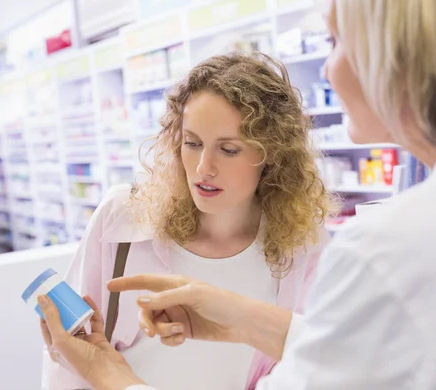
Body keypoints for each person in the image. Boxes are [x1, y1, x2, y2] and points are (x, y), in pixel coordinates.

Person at [41, 0, 436, 388]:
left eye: (336, 39)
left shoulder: (386, 252)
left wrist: (110, 376)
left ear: (395, 54)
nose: (328, 71)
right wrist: (244, 317)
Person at [40, 53, 335, 390]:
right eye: (192, 143)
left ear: (272, 153)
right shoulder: (123, 216)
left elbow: (316, 363)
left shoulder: (302, 243)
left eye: (228, 149)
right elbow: (72, 354)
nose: (202, 168)